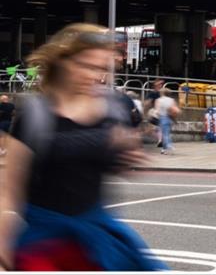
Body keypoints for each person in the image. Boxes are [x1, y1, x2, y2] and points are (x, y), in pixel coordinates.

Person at [0, 23, 164, 271]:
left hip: (96, 233)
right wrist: (3, 237)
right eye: (85, 66)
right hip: (45, 239)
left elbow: (110, 165)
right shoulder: (35, 113)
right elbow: (9, 188)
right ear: (63, 61)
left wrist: (126, 155)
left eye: (100, 68)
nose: (94, 76)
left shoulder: (111, 109)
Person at [155, 87, 179, 155]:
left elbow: (157, 111)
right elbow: (175, 110)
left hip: (162, 118)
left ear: (162, 93)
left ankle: (169, 145)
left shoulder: (159, 100)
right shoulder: (172, 100)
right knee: (166, 133)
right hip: (170, 118)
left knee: (164, 134)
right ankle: (163, 150)